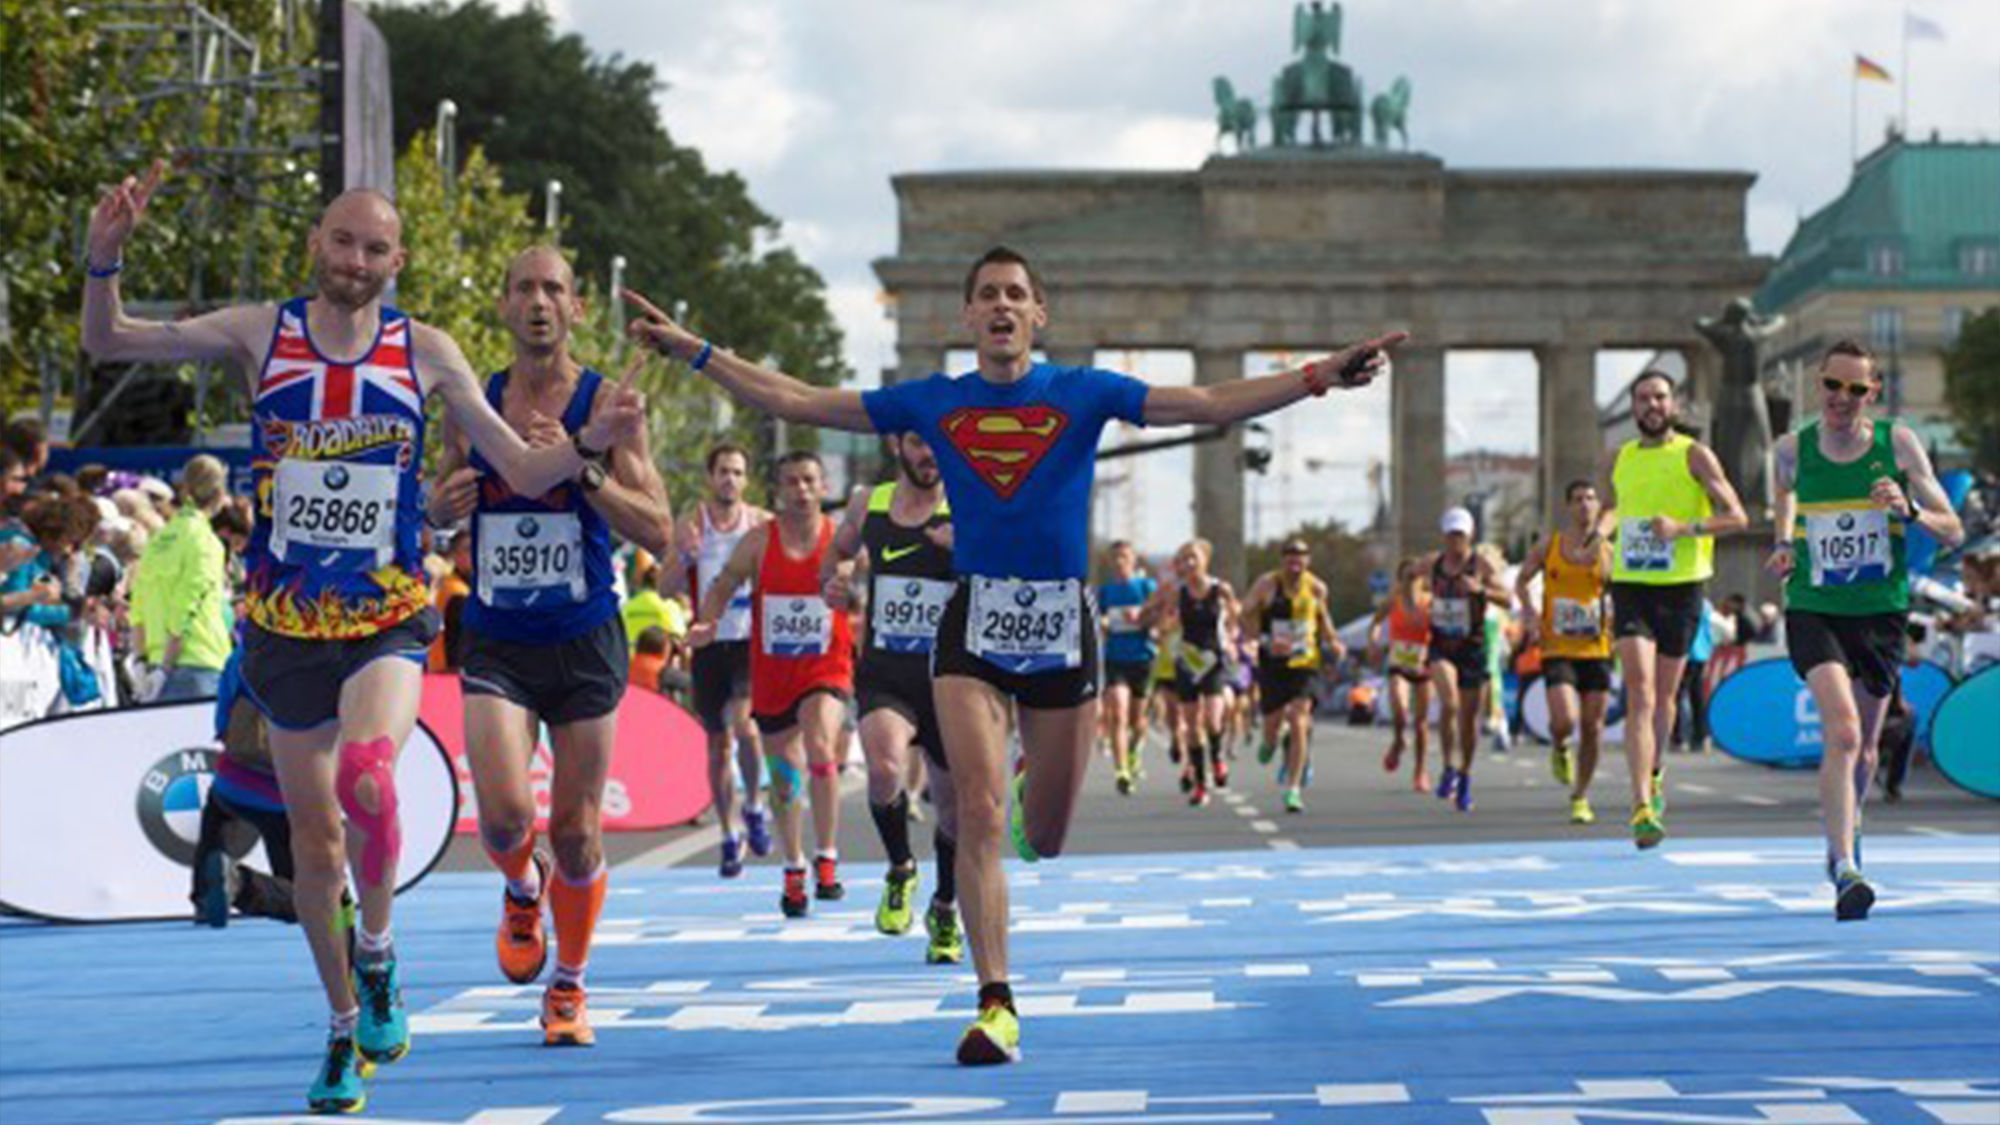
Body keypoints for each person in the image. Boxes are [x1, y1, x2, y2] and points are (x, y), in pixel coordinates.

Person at [624, 243, 1401, 1065]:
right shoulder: (932, 402)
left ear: (1039, 315)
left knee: (1049, 833)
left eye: (1016, 295)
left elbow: (1208, 399)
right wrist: (697, 352)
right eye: (987, 294)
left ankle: (1033, 799)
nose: (1001, 306)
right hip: (974, 627)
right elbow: (805, 399)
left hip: (1063, 628)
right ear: (967, 318)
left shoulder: (1084, 392)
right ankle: (995, 1001)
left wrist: (1320, 375)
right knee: (981, 812)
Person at [81, 162, 643, 1112]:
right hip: (284, 620)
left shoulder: (424, 349)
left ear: (398, 259)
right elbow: (108, 342)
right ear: (317, 246)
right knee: (316, 845)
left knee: (370, 775)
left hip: (385, 612)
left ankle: (377, 946)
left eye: (375, 248)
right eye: (343, 242)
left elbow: (521, 464)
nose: (357, 260)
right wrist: (105, 257)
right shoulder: (260, 332)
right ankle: (344, 1021)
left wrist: (591, 445)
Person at [427, 244, 672, 1048]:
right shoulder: (475, 400)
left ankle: (568, 984)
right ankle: (517, 887)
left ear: (574, 309)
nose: (538, 302)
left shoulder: (611, 403)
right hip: (498, 637)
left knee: (576, 832)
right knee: (502, 822)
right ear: (503, 305)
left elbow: (661, 530)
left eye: (554, 289)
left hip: (583, 637)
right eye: (524, 287)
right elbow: (431, 507)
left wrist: (589, 468)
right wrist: (441, 502)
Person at [1766, 340, 1961, 920]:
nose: (1841, 400)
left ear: (1872, 393)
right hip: (1814, 607)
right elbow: (1782, 499)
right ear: (1817, 384)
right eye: (1833, 386)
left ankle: (1848, 825)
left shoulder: (1897, 443)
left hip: (1878, 612)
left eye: (1855, 389)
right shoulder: (1789, 449)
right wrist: (1782, 546)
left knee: (1868, 749)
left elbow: (1951, 531)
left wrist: (1910, 511)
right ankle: (1844, 865)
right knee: (1844, 734)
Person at [691, 451, 855, 918]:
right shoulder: (759, 541)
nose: (801, 490)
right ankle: (794, 864)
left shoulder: (839, 541)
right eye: (791, 482)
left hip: (825, 667)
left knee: (821, 746)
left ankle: (827, 857)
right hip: (774, 673)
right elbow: (723, 582)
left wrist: (850, 587)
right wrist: (708, 622)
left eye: (809, 481)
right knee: (784, 780)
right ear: (778, 491)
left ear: (823, 487)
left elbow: (863, 576)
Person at [821, 431, 965, 960]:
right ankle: (901, 867)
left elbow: (1011, 565)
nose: (930, 456)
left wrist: (966, 548)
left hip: (952, 676)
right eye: (919, 444)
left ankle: (945, 906)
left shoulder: (971, 500)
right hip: (887, 668)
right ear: (899, 447)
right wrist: (834, 582)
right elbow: (837, 554)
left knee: (953, 810)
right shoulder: (869, 502)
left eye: (939, 447)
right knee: (883, 768)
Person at [1597, 371, 1747, 849]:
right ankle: (1641, 803)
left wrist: (1684, 528)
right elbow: (1615, 508)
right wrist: (1600, 529)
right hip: (1631, 584)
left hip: (1682, 587)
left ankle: (1655, 773)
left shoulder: (1694, 455)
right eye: (1642, 399)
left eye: (1659, 397)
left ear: (1674, 404)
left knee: (1664, 698)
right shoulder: (1618, 458)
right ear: (1633, 409)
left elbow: (1738, 517)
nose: (1651, 405)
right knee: (1638, 694)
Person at [663, 445, 772, 878]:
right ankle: (729, 832)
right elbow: (665, 583)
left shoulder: (760, 522)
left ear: (746, 480)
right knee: (717, 742)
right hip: (708, 643)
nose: (730, 479)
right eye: (723, 471)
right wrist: (685, 555)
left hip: (748, 640)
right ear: (711, 477)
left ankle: (754, 804)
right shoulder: (691, 525)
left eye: (738, 472)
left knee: (745, 726)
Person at [1515, 480, 1615, 825]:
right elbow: (1522, 580)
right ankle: (1559, 746)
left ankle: (1581, 796)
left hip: (1597, 646)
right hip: (1557, 645)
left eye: (1590, 498)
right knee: (1565, 720)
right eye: (1578, 499)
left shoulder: (1607, 551)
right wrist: (1529, 613)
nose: (1585, 505)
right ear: (1568, 507)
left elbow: (1622, 590)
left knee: (1594, 726)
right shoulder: (1550, 545)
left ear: (1598, 506)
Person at [1240, 537, 1343, 814]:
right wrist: (1261, 640)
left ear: (1308, 560)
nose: (1294, 560)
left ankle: (1293, 789)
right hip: (1273, 664)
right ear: (1282, 559)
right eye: (1289, 555)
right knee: (1272, 725)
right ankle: (1270, 741)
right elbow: (1244, 614)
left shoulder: (1317, 588)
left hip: (1304, 663)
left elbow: (1323, 619)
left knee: (1299, 720)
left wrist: (1333, 641)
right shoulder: (1267, 584)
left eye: (1300, 555)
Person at [1423, 508, 1510, 813]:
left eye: (1460, 535)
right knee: (1450, 705)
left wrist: (1481, 590)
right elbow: (1409, 583)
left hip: (1472, 646)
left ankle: (1465, 774)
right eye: (1450, 535)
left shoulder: (1480, 564)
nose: (1455, 541)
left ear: (1470, 535)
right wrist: (1417, 601)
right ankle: (1448, 765)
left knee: (1469, 721)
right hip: (1441, 645)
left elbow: (1508, 599)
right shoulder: (1432, 564)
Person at [130, 454, 234, 701]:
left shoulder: (158, 539)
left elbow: (138, 605)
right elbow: (186, 604)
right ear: (220, 494)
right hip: (199, 660)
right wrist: (166, 666)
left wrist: (141, 660)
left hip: (156, 662)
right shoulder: (206, 541)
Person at [1166, 539, 1240, 807]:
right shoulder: (1179, 592)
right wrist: (1163, 625)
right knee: (1192, 727)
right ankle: (1200, 784)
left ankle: (1218, 756)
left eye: (1193, 558)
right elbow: (1167, 620)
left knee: (1213, 718)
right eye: (1184, 559)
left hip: (1214, 660)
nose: (1188, 563)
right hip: (1188, 662)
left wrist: (1232, 637)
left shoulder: (1220, 589)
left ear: (1205, 560)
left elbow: (1234, 617)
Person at [1097, 541, 1165, 796]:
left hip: (1142, 658)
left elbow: (1162, 614)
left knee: (1138, 721)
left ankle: (1135, 750)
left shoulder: (1146, 587)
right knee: (1118, 713)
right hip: (1115, 658)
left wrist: (1146, 619)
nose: (1119, 562)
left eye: (1124, 557)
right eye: (1115, 558)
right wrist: (1103, 622)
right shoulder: (1105, 592)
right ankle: (1122, 770)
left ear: (1134, 560)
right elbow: (1099, 619)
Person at [1369, 557, 1433, 792]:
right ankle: (1398, 741)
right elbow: (1375, 622)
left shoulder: (1430, 603)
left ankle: (1420, 771)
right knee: (1399, 711)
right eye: (1406, 577)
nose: (1411, 582)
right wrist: (1373, 643)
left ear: (1422, 580)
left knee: (1421, 723)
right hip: (1398, 663)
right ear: (1400, 580)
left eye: (1415, 577)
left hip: (1423, 664)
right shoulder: (1393, 601)